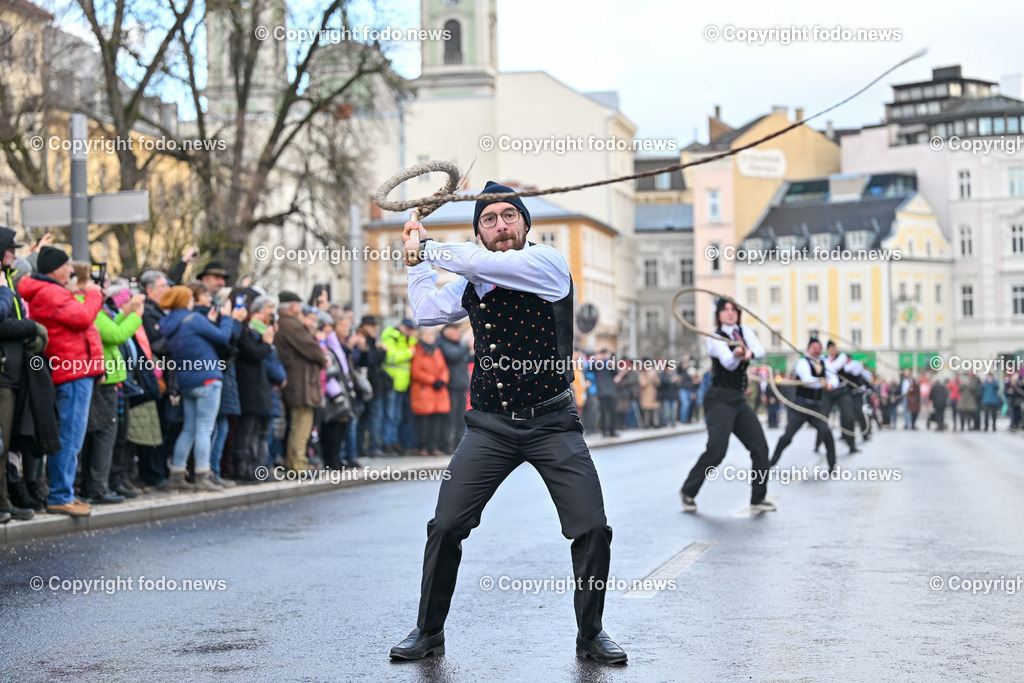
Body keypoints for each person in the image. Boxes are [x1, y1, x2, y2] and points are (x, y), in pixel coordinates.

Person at [391, 181, 625, 664]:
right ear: (479, 230)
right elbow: (427, 312)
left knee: (592, 528)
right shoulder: (472, 277)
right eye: (489, 220)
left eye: (508, 216)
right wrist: (415, 262)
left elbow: (486, 264)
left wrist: (429, 246)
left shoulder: (546, 264)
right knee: (446, 525)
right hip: (490, 426)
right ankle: (428, 631)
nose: (500, 226)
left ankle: (591, 633)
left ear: (525, 223)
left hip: (553, 422)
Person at [19, 246, 105, 516]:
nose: (71, 271)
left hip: (76, 369)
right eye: (67, 266)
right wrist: (93, 294)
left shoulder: (50, 291)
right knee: (69, 436)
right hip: (72, 371)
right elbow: (81, 318)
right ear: (54, 268)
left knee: (72, 436)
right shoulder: (50, 292)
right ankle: (59, 494)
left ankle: (64, 491)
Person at [680, 299, 774, 513]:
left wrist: (749, 352)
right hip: (719, 399)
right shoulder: (715, 338)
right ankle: (688, 491)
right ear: (719, 314)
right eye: (726, 310)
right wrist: (737, 354)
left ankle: (758, 498)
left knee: (760, 448)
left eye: (734, 310)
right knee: (717, 451)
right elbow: (727, 362)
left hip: (738, 399)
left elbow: (760, 350)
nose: (731, 313)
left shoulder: (744, 332)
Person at [159, 285, 244, 491]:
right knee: (205, 428)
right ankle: (202, 475)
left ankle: (177, 474)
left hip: (187, 381)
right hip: (207, 378)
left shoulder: (170, 324)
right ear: (183, 301)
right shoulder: (194, 319)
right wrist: (226, 318)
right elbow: (223, 338)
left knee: (189, 429)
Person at [78, 270, 145, 504]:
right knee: (104, 435)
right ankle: (96, 487)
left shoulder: (95, 306)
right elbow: (115, 335)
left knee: (104, 435)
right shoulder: (85, 304)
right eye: (99, 283)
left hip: (108, 379)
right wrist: (136, 316)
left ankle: (96, 485)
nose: (104, 286)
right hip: (102, 380)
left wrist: (126, 313)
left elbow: (110, 328)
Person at [0, 228, 42, 521]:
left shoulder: (6, 283)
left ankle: (4, 500)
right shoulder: (3, 285)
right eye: (10, 249)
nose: (14, 254)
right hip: (3, 372)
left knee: (7, 443)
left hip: (12, 371)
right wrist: (30, 327)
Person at [275, 291, 328, 471]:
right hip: (301, 382)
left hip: (296, 380)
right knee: (301, 426)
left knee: (299, 425)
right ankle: (297, 465)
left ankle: (296, 462)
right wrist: (323, 358)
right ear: (292, 306)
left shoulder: (284, 324)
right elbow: (311, 349)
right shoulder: (291, 325)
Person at [770, 337, 837, 472]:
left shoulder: (825, 362)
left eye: (818, 348)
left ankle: (832, 464)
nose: (817, 351)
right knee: (787, 436)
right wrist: (823, 382)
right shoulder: (802, 362)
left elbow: (834, 378)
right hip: (801, 407)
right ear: (808, 349)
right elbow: (807, 380)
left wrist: (831, 384)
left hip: (816, 407)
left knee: (827, 432)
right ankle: (772, 461)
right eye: (814, 348)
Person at [410, 327, 450, 455]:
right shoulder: (417, 350)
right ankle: (422, 447)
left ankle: (433, 446)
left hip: (438, 390)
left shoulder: (437, 351)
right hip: (424, 389)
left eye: (430, 334)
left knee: (436, 421)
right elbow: (416, 371)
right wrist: (433, 380)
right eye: (426, 334)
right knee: (423, 422)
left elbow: (444, 368)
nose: (429, 336)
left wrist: (442, 380)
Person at [381, 318, 418, 454]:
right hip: (392, 381)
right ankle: (387, 442)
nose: (409, 331)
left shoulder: (406, 339)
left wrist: (412, 340)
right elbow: (391, 356)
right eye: (407, 328)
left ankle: (393, 441)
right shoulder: (391, 337)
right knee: (390, 415)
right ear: (400, 326)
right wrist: (409, 353)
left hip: (403, 383)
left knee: (397, 416)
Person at [437, 324, 471, 452]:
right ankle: (446, 445)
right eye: (456, 331)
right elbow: (453, 356)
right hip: (450, 386)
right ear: (448, 332)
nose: (459, 333)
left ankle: (458, 443)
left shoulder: (458, 346)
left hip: (461, 385)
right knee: (449, 419)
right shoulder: (443, 344)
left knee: (460, 418)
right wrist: (467, 346)